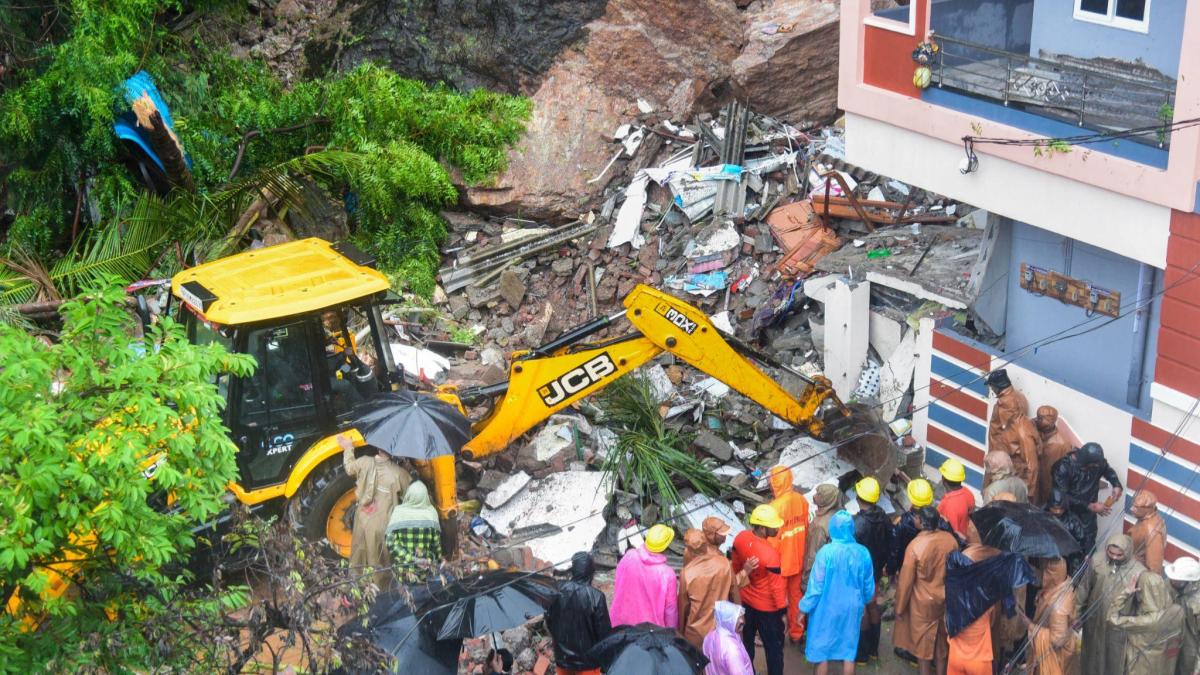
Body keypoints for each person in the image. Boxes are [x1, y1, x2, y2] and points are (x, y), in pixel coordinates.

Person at [799, 510, 874, 675]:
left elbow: (815, 587)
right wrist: (864, 603)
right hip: (852, 608)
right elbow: (868, 586)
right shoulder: (863, 553)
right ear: (851, 529)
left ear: (832, 528)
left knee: (821, 652)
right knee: (849, 652)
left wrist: (803, 608)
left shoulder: (825, 553)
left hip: (826, 609)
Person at [894, 505, 959, 675]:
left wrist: (899, 608)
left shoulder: (915, 546)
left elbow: (905, 583)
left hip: (922, 604)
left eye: (916, 517)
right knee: (941, 645)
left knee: (923, 650)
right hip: (944, 600)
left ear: (921, 522)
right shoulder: (950, 540)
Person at [339, 434, 410, 584]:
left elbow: (349, 468)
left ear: (378, 447)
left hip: (362, 517)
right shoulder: (400, 474)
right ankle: (382, 588)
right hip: (382, 524)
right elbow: (410, 497)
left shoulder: (364, 462)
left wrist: (348, 448)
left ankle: (356, 583)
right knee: (380, 559)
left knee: (358, 552)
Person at [1077, 534, 1148, 675]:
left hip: (1118, 627)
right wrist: (1077, 613)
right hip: (1094, 621)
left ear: (1127, 552)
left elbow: (1142, 606)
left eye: (1119, 555)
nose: (1114, 557)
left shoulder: (1139, 572)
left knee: (1113, 661)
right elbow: (1084, 588)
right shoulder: (1097, 561)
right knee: (1091, 657)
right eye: (1111, 553)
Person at [732, 504, 787, 675]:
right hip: (767, 608)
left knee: (746, 644)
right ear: (762, 528)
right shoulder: (771, 555)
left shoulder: (740, 538)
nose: (777, 528)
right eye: (773, 526)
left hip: (745, 601)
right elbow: (777, 588)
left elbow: (735, 566)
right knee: (774, 649)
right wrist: (783, 613)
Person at [1051, 442, 1123, 554]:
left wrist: (1116, 484)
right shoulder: (1063, 468)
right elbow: (1061, 497)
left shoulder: (1097, 463)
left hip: (1088, 518)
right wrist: (1089, 506)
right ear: (1086, 463)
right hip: (1069, 516)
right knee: (1072, 552)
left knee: (1089, 549)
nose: (1097, 467)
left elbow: (1107, 469)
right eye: (1094, 465)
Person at [1109, 570, 1185, 675]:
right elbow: (1181, 640)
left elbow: (1112, 618)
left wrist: (1126, 592)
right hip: (1166, 668)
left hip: (1140, 670)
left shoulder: (1147, 621)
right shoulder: (1179, 611)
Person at [546, 552, 611, 675]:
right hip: (588, 663)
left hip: (563, 657)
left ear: (573, 569)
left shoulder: (557, 589)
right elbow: (604, 634)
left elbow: (549, 619)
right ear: (591, 572)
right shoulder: (597, 597)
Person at [985, 369, 1041, 503]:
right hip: (996, 465)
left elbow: (1032, 467)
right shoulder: (1008, 400)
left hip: (1011, 477)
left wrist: (1027, 494)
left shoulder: (1023, 432)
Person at [852, 476, 892, 665]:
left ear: (858, 497)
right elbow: (890, 542)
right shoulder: (883, 516)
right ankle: (874, 650)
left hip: (861, 573)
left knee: (862, 611)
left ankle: (862, 653)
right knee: (873, 605)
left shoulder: (858, 524)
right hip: (876, 570)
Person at [767, 465, 809, 642]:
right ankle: (797, 634)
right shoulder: (802, 500)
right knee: (796, 598)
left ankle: (777, 634)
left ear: (775, 483)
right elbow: (805, 528)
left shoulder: (774, 508)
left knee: (777, 601)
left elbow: (772, 541)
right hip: (798, 559)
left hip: (780, 563)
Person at [946, 543, 1001, 675]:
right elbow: (992, 623)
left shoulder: (953, 595)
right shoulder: (987, 599)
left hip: (955, 657)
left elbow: (947, 626)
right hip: (979, 661)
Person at [610, 524, 677, 628]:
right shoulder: (667, 574)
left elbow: (619, 583)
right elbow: (670, 610)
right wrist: (671, 632)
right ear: (666, 546)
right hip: (649, 630)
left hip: (621, 622)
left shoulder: (629, 555)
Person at [679, 527, 735, 649]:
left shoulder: (686, 573)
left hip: (695, 632)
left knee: (695, 659)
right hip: (720, 628)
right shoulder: (725, 563)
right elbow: (734, 594)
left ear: (689, 550)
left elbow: (684, 607)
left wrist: (680, 631)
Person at [1023, 558, 1077, 675]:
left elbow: (1057, 640)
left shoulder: (1059, 606)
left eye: (1045, 572)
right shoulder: (1060, 586)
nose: (1042, 575)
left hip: (1055, 658)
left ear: (1053, 576)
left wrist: (1030, 625)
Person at [386, 481, 442, 583]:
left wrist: (412, 559)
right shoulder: (432, 513)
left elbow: (390, 543)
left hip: (403, 572)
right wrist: (436, 561)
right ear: (425, 496)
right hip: (425, 572)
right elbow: (436, 546)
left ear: (408, 494)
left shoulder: (398, 512)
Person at [1165, 556, 1200, 675]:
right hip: (1171, 639)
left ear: (1189, 582)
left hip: (1191, 649)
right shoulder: (1171, 584)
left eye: (1176, 580)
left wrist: (1197, 668)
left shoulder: (1197, 603)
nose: (1171, 581)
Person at [803, 484, 841, 590]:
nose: (814, 496)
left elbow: (812, 555)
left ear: (826, 499)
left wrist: (805, 582)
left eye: (819, 494)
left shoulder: (820, 526)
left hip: (817, 576)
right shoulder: (838, 515)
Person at [703, 601, 754, 675]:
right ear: (728, 621)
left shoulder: (708, 638)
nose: (742, 621)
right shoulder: (732, 650)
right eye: (736, 618)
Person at [1035, 406, 1072, 505]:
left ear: (1051, 422)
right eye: (1038, 417)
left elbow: (1067, 469)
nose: (1037, 420)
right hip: (1036, 480)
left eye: (1040, 418)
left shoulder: (1062, 444)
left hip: (1050, 484)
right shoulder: (1035, 430)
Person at [1044, 489, 1088, 574]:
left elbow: (1081, 543)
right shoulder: (1042, 517)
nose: (1058, 511)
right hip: (1046, 558)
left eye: (1060, 508)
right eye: (1054, 508)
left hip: (1068, 559)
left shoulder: (1073, 521)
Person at [1129, 490, 1168, 575]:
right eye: (1133, 505)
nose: (1131, 509)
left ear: (1148, 509)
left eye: (1136, 507)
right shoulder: (1145, 517)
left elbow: (1154, 567)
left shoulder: (1152, 530)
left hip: (1137, 572)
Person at [937, 459, 976, 537]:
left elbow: (950, 533)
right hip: (964, 534)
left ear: (943, 479)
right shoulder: (968, 493)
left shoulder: (947, 505)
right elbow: (971, 512)